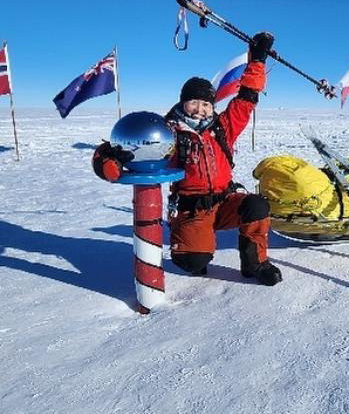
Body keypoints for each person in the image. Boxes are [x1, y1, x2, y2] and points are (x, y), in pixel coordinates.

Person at [92, 32, 282, 286]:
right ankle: (192, 242)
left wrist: (257, 60)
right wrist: (109, 159)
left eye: (206, 104)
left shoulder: (223, 127)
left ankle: (255, 265)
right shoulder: (166, 130)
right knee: (193, 262)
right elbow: (130, 145)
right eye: (194, 102)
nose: (201, 109)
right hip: (192, 208)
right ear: (183, 103)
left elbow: (247, 97)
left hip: (225, 200)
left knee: (257, 205)